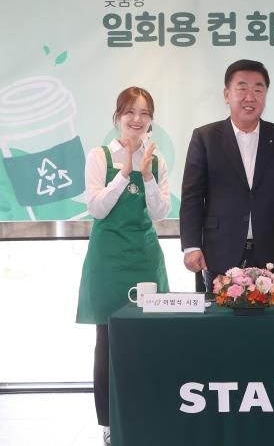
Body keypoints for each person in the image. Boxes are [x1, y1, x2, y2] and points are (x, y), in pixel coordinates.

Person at [76, 87, 170, 445]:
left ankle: (147, 415)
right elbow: (96, 208)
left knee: (148, 340)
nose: (137, 119)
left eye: (144, 113)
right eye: (130, 112)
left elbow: (160, 212)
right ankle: (108, 423)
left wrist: (146, 176)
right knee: (107, 341)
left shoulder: (156, 160)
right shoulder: (99, 155)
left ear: (151, 121)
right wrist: (123, 173)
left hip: (144, 256)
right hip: (108, 259)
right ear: (118, 116)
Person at [180, 59, 274, 289]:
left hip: (272, 253)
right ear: (227, 95)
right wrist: (191, 245)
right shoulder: (205, 138)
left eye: (258, 90)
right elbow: (192, 196)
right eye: (242, 88)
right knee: (219, 314)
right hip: (220, 252)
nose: (250, 97)